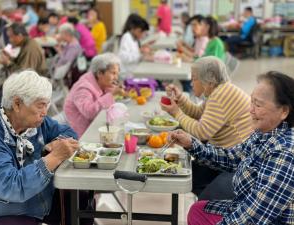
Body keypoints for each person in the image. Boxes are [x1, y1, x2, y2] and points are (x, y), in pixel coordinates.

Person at [168, 71, 294, 225]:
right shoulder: (264, 133)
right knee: (197, 210)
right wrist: (191, 144)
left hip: (266, 220)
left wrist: (176, 113)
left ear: (284, 111)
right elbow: (233, 157)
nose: (250, 110)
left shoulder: (284, 154)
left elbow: (252, 217)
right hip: (244, 205)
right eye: (252, 102)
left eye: (258, 105)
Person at [0, 70, 93, 225]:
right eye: (41, 105)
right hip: (7, 209)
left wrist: (55, 144)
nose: (45, 112)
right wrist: (54, 157)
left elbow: (68, 132)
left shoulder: (34, 122)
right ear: (17, 104)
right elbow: (11, 186)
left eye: (47, 105)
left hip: (40, 197)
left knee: (80, 202)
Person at [161, 56, 252, 200]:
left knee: (193, 177)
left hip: (234, 160)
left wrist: (176, 113)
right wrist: (181, 99)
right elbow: (198, 113)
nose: (191, 83)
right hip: (228, 151)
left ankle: (209, 205)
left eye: (194, 79)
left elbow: (201, 132)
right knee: (192, 169)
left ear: (208, 80)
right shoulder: (220, 90)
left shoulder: (220, 96)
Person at [64, 53, 125, 138]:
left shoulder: (101, 81)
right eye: (113, 73)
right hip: (82, 134)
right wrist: (111, 94)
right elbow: (89, 112)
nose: (116, 77)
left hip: (96, 125)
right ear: (100, 73)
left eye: (117, 73)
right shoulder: (83, 88)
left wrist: (112, 90)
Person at [118, 14, 151, 78]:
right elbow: (124, 58)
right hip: (127, 75)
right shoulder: (126, 37)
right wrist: (140, 51)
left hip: (134, 71)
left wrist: (143, 54)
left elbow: (136, 56)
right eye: (140, 32)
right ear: (133, 28)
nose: (142, 35)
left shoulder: (134, 39)